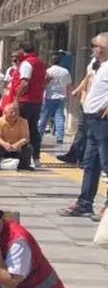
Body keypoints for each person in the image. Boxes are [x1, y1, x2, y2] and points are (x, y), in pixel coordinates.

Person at [61, 33, 108, 217]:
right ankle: (84, 202)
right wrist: (80, 92)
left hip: (103, 121)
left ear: (102, 48)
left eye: (94, 45)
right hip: (90, 119)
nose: (93, 49)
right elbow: (89, 79)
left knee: (106, 163)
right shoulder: (97, 66)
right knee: (90, 163)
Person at [8, 42, 47, 165]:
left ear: (22, 50)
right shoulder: (41, 62)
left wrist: (16, 99)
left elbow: (24, 83)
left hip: (25, 100)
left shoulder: (26, 63)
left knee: (23, 128)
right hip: (37, 100)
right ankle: (36, 157)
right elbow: (46, 78)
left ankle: (24, 157)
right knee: (33, 129)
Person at [0, 100, 33, 170]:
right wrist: (5, 145)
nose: (14, 114)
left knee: (28, 148)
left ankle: (24, 165)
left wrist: (17, 145)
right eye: (11, 112)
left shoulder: (23, 121)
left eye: (16, 112)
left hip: (17, 147)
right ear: (5, 113)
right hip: (4, 147)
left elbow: (26, 138)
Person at [40, 56, 72, 145]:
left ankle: (39, 134)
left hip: (49, 96)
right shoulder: (66, 71)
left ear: (51, 62)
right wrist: (69, 96)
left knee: (44, 117)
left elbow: (44, 84)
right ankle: (60, 137)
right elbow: (69, 85)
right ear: (60, 62)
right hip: (61, 97)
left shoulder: (48, 71)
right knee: (59, 117)